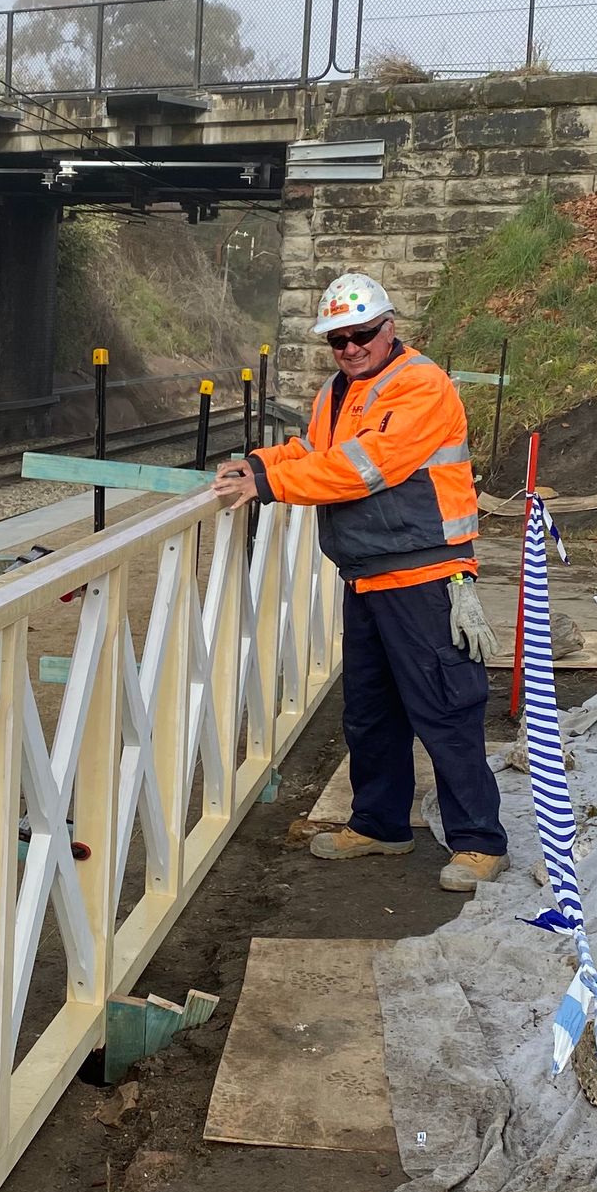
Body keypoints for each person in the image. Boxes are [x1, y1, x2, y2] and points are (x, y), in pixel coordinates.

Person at [210, 273, 508, 893]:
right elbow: (314, 449)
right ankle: (379, 825)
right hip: (368, 574)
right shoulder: (340, 390)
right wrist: (261, 463)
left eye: (361, 334)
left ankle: (479, 841)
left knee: (445, 709)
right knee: (372, 714)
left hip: (423, 574)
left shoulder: (421, 386)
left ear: (389, 326)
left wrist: (266, 487)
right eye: (337, 340)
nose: (350, 348)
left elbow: (359, 469)